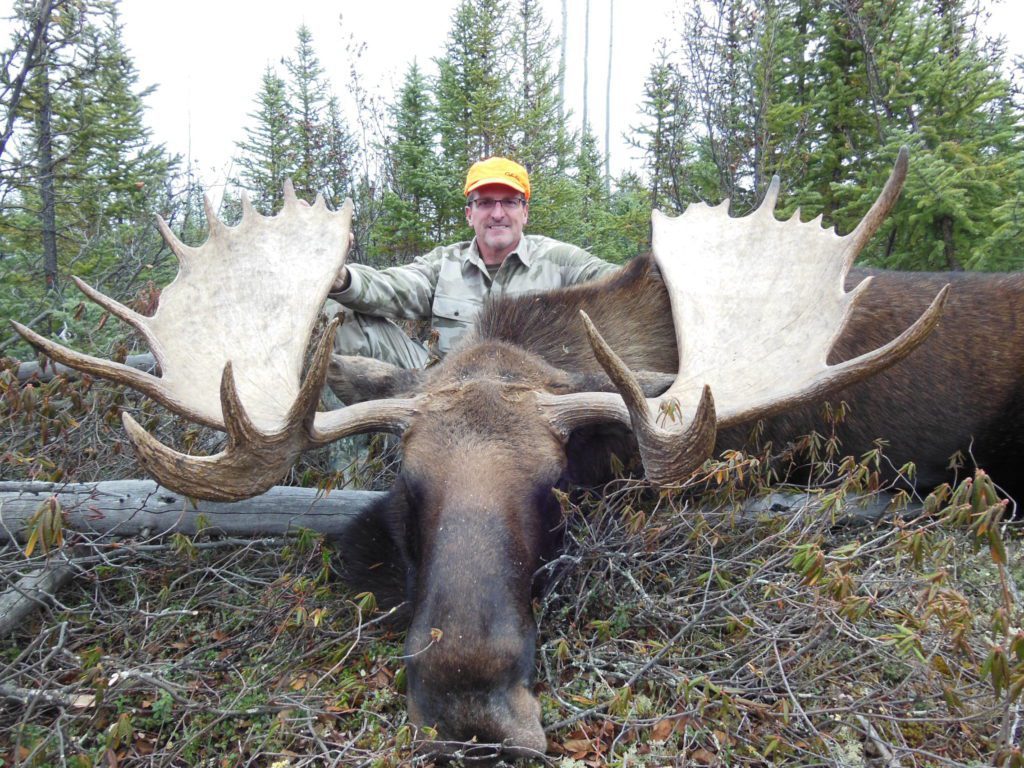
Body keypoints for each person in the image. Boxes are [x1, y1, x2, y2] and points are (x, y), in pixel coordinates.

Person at [325, 156, 617, 368]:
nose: (498, 213)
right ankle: (383, 446)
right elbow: (394, 287)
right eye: (486, 202)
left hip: (532, 403)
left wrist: (659, 269)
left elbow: (620, 282)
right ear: (469, 214)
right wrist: (342, 278)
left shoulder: (560, 261)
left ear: (525, 212)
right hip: (443, 394)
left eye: (510, 201)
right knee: (344, 318)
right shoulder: (444, 264)